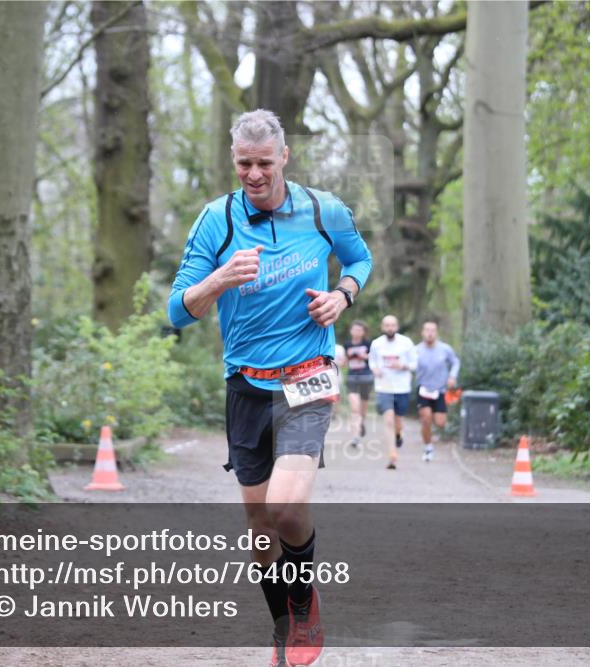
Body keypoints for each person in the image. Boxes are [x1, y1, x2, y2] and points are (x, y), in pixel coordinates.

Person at [167, 109, 372, 667]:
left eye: (263, 162)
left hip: (308, 376)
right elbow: (175, 311)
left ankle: (306, 606)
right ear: (233, 162)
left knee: (285, 506)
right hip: (247, 386)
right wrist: (218, 280)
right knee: (260, 529)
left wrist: (343, 295)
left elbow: (359, 257)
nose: (254, 174)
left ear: (284, 157)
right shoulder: (217, 221)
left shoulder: (322, 209)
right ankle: (284, 627)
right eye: (243, 164)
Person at [368, 315, 416, 469]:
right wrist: (375, 369)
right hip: (384, 386)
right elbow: (372, 361)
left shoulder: (406, 342)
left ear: (397, 327)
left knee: (397, 420)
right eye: (387, 325)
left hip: (402, 387)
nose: (390, 328)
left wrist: (402, 366)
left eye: (392, 325)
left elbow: (414, 364)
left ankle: (398, 434)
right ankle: (392, 455)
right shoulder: (376, 343)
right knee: (388, 419)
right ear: (383, 327)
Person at [414, 320, 461, 462]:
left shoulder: (445, 349)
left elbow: (456, 362)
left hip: (440, 389)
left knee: (440, 423)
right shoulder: (416, 350)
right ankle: (428, 446)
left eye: (432, 330)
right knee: (426, 417)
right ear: (422, 332)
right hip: (423, 388)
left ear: (436, 333)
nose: (429, 333)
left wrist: (452, 376)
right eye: (427, 330)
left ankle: (428, 430)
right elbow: (408, 364)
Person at [341, 320, 373, 449]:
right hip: (352, 377)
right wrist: (341, 362)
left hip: (366, 377)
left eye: (360, 330)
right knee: (355, 409)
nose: (357, 332)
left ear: (364, 332)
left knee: (362, 410)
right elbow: (345, 361)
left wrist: (364, 356)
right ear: (351, 331)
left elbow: (374, 358)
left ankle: (361, 423)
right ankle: (355, 437)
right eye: (355, 329)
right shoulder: (347, 344)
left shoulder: (368, 344)